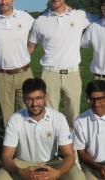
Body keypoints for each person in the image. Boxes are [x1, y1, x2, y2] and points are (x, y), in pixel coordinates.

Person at [0, 78, 86, 180]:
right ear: (24, 99)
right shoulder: (15, 119)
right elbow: (6, 156)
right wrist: (20, 172)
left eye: (38, 98)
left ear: (45, 97)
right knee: (0, 178)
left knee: (78, 177)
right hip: (22, 163)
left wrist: (57, 173)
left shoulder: (58, 118)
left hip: (51, 162)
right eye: (29, 99)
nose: (34, 104)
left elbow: (69, 155)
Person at [28, 0, 94, 128]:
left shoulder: (79, 15)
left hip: (72, 74)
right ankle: (53, 145)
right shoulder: (40, 21)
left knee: (73, 115)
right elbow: (31, 46)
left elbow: (101, 17)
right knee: (49, 114)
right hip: (49, 74)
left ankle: (73, 147)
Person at [73, 80, 105, 180]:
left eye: (100, 99)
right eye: (92, 99)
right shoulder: (80, 121)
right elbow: (81, 152)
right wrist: (98, 167)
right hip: (92, 165)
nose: (96, 104)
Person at [81, 0, 105, 81]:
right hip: (98, 77)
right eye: (104, 5)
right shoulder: (94, 27)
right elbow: (81, 45)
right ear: (101, 7)